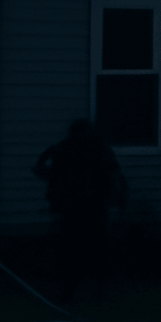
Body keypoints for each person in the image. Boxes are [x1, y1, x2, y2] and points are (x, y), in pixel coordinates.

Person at [34, 120, 127, 304]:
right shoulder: (80, 149)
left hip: (84, 206)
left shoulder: (75, 149)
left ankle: (79, 292)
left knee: (77, 250)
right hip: (84, 207)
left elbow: (42, 169)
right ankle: (87, 291)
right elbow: (115, 173)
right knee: (84, 249)